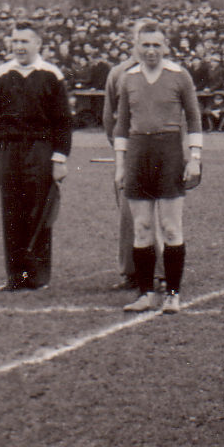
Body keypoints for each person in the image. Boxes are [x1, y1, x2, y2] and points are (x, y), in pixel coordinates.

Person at [112, 21, 204, 314]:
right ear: (136, 47)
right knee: (142, 227)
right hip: (138, 153)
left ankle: (173, 294)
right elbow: (122, 125)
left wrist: (195, 158)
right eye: (145, 45)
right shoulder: (128, 78)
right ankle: (146, 293)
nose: (151, 51)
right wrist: (120, 165)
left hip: (169, 153)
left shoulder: (180, 76)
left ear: (166, 47)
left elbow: (194, 118)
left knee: (170, 227)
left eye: (156, 45)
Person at [0, 23, 73, 292]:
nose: (19, 46)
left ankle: (37, 276)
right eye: (15, 41)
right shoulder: (0, 74)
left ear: (38, 44)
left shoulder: (51, 75)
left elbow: (63, 122)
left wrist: (59, 159)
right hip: (9, 150)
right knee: (12, 212)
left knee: (39, 212)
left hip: (40, 149)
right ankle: (15, 276)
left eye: (24, 41)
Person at [103, 28, 141, 291]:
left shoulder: (172, 71)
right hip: (129, 152)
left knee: (161, 213)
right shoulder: (118, 73)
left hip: (161, 150)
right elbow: (109, 117)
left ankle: (160, 273)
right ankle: (130, 272)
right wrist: (119, 148)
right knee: (128, 215)